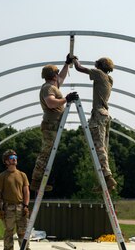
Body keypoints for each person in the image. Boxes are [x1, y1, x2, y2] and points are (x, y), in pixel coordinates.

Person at [30, 54, 78, 192]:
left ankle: (42, 180)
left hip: (54, 124)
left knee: (50, 152)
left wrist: (67, 64)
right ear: (53, 75)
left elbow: (61, 77)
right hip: (50, 125)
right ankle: (36, 181)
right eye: (56, 72)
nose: (59, 75)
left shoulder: (53, 85)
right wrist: (66, 99)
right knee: (46, 153)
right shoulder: (48, 88)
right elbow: (51, 103)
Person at [72, 55, 117, 190]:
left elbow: (79, 68)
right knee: (102, 148)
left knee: (98, 147)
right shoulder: (109, 79)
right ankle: (104, 180)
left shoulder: (99, 74)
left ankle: (108, 177)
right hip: (105, 115)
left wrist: (74, 59)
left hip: (98, 114)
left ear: (100, 65)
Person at [0, 149, 33, 250]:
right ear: (6, 162)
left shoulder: (22, 175)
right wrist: (0, 208)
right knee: (9, 233)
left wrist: (26, 206)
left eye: (15, 158)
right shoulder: (2, 176)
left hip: (21, 208)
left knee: (23, 233)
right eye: (12, 159)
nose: (14, 160)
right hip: (8, 208)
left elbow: (26, 191)